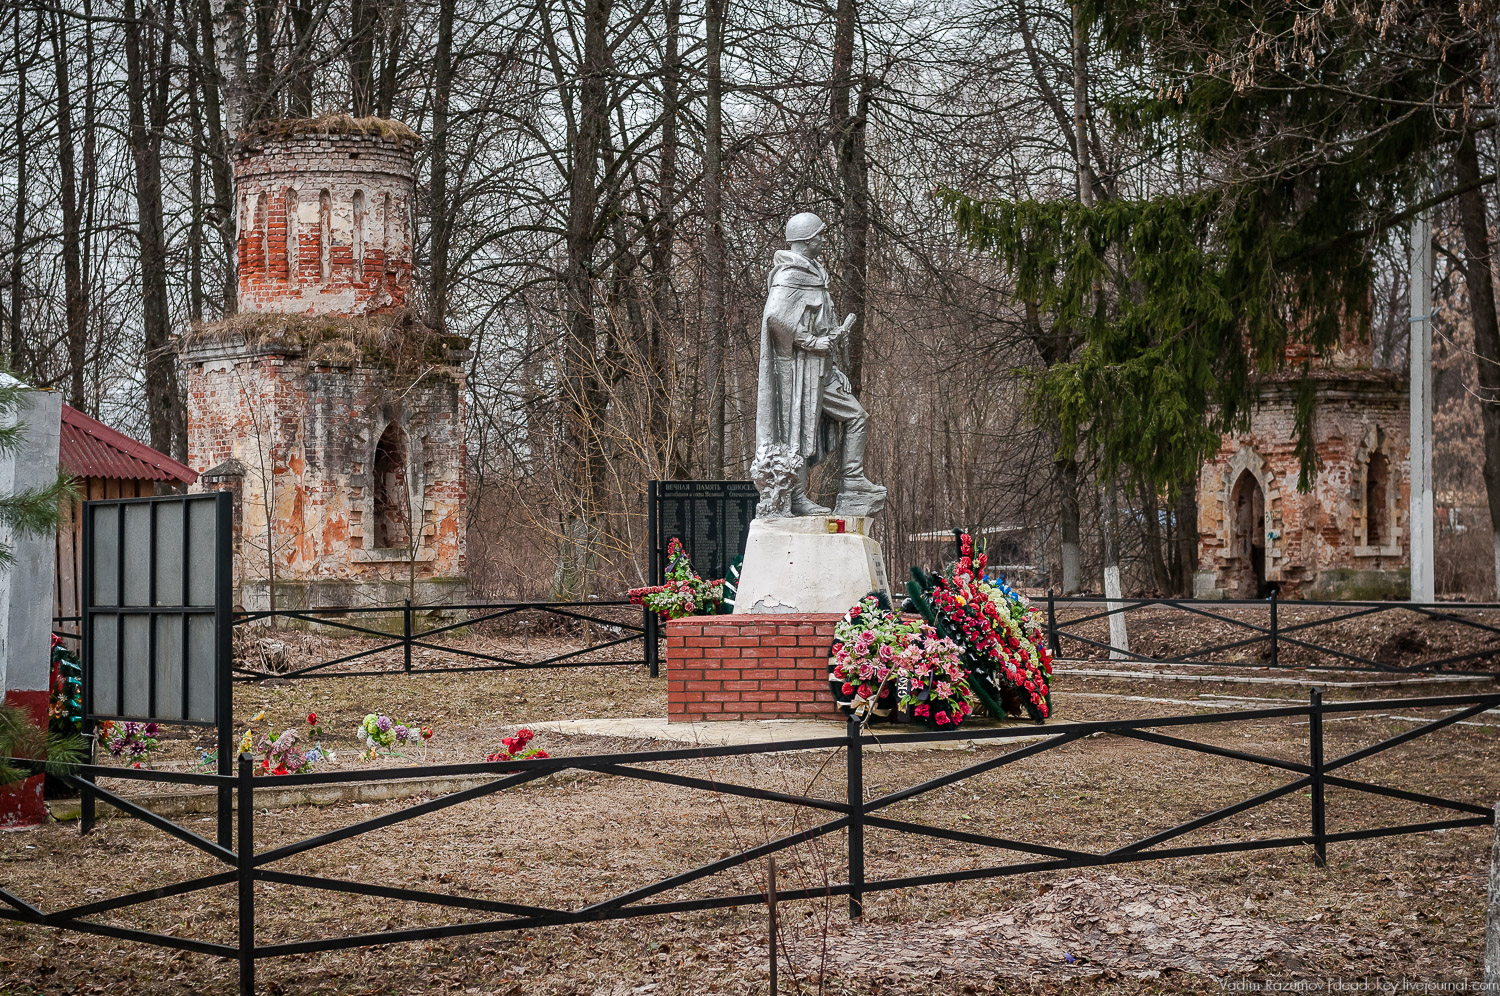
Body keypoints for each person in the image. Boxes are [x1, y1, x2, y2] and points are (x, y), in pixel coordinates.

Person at [755, 211, 886, 516]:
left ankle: (853, 482)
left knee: (857, 416)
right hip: (802, 370)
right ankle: (795, 497)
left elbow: (823, 322)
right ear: (806, 240)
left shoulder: (815, 273)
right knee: (798, 434)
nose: (824, 240)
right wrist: (811, 342)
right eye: (819, 235)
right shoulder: (790, 274)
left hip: (823, 370)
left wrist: (834, 364)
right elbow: (776, 317)